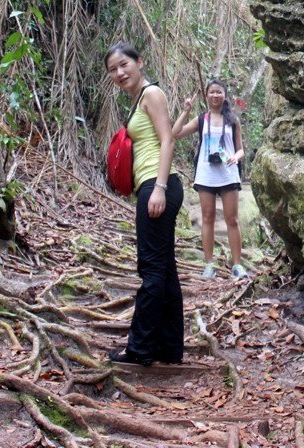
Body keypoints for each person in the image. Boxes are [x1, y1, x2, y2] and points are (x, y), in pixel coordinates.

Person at [103, 42, 184, 365]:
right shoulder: (139, 99)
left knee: (151, 268)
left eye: (124, 64)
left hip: (157, 184)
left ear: (140, 62)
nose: (120, 73)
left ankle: (139, 349)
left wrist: (160, 188)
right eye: (113, 69)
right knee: (164, 270)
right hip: (152, 185)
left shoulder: (151, 94)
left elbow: (167, 139)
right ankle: (168, 347)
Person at [172, 78, 248, 280]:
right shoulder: (201, 119)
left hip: (228, 173)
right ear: (206, 96)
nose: (215, 95)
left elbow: (241, 150)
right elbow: (176, 133)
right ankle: (208, 265)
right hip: (206, 175)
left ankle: (238, 265)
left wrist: (235, 157)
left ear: (225, 96)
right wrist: (186, 110)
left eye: (219, 92)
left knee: (232, 220)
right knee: (207, 219)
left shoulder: (233, 120)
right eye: (212, 92)